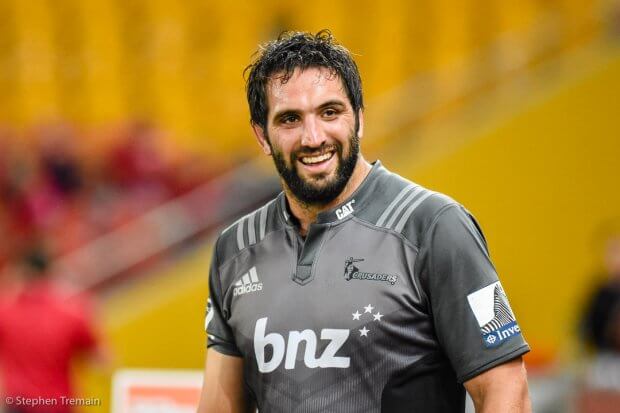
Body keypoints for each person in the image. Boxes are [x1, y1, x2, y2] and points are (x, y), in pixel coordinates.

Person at [197, 30, 531, 413]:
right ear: (262, 135)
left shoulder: (436, 226)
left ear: (358, 118)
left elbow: (507, 391)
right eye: (290, 119)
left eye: (330, 112)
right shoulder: (235, 249)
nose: (313, 136)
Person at [0, 248, 107, 413]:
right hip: (58, 404)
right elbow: (102, 359)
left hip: (19, 404)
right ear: (51, 272)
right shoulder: (72, 311)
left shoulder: (5, 312)